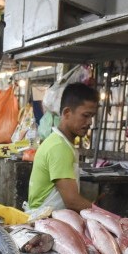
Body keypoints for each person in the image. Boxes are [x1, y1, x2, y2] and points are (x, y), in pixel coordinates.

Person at [26, 82, 98, 212]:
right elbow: (72, 201)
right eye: (85, 115)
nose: (89, 122)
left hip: (53, 217)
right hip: (45, 221)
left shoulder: (59, 142)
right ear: (67, 113)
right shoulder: (59, 147)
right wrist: (109, 216)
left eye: (92, 116)